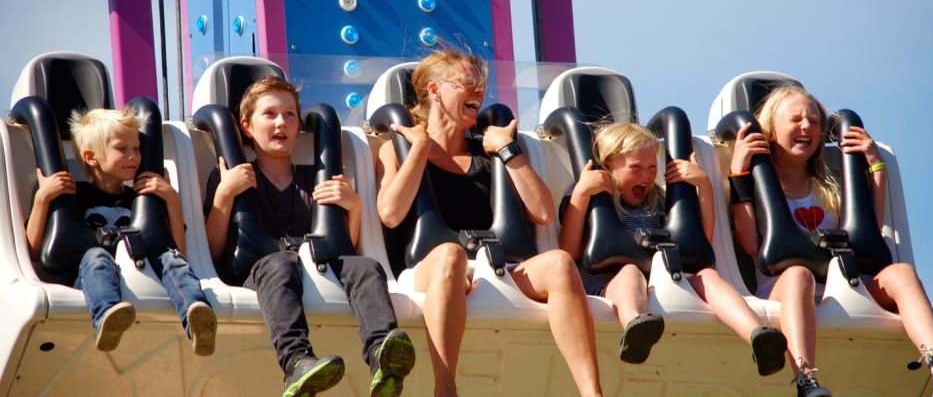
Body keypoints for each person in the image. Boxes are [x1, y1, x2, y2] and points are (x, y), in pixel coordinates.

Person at [375, 47, 603, 397]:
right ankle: (445, 388)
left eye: (483, 83)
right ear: (435, 90)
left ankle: (592, 392)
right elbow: (390, 214)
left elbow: (541, 212)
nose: (479, 91)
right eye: (468, 82)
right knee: (450, 254)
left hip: (496, 265)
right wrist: (420, 150)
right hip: (431, 268)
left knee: (559, 263)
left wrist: (508, 150)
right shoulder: (400, 149)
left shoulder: (489, 151)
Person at [730, 85, 933, 397]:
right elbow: (751, 244)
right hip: (787, 288)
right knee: (798, 275)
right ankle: (806, 379)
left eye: (814, 121)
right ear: (771, 131)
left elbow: (867, 229)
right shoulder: (761, 186)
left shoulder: (829, 187)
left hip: (844, 286)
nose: (806, 126)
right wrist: (737, 173)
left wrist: (874, 163)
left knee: (901, 273)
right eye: (795, 119)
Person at [203, 77, 415, 397]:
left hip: (317, 267)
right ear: (246, 126)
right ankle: (296, 362)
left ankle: (382, 357)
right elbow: (213, 251)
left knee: (368, 268)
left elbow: (346, 248)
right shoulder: (234, 178)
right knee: (278, 265)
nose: (281, 123)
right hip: (264, 274)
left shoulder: (312, 180)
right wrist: (223, 195)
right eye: (270, 114)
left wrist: (354, 208)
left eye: (290, 115)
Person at [558, 121, 787, 374]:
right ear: (609, 164)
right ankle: (636, 325)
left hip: (662, 281)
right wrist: (580, 194)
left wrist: (704, 185)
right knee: (630, 273)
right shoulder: (592, 195)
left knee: (708, 276)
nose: (645, 177)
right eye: (635, 167)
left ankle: (757, 334)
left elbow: (700, 244)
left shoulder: (655, 199)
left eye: (651, 168)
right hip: (608, 284)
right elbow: (568, 252)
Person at [25, 107, 218, 355]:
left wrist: (171, 198)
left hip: (141, 270)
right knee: (96, 256)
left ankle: (197, 316)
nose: (133, 156)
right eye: (122, 149)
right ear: (91, 157)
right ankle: (107, 316)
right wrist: (42, 199)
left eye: (137, 148)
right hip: (93, 276)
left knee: (172, 260)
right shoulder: (77, 196)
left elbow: (177, 249)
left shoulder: (139, 200)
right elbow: (32, 248)